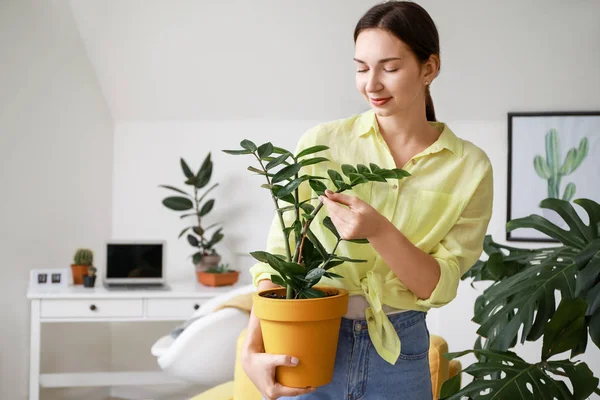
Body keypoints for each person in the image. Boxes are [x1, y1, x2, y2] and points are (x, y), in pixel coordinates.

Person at [241, 1, 494, 399]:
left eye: (389, 68)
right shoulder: (322, 144)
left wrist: (378, 230)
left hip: (401, 349)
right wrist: (251, 349)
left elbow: (437, 286)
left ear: (429, 68)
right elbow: (283, 256)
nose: (371, 84)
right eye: (361, 67)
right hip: (308, 336)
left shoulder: (470, 167)